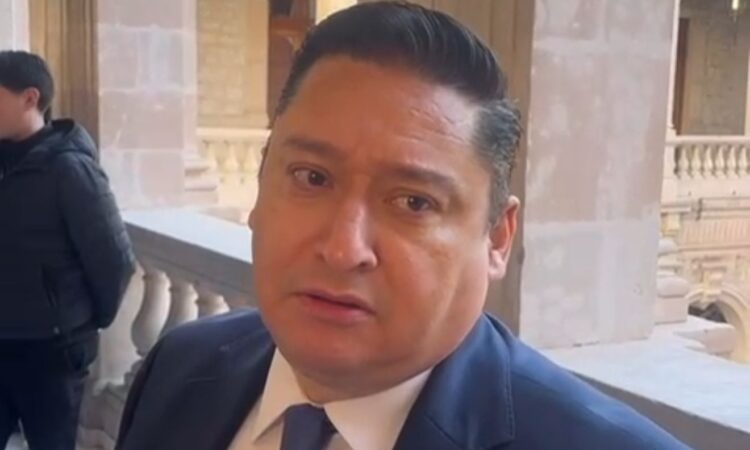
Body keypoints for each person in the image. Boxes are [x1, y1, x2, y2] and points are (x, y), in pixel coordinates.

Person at [116, 3, 691, 450]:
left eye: (414, 202)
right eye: (312, 177)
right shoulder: (182, 368)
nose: (343, 248)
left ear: (497, 237)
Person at [0, 50, 136, 450]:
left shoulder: (69, 169)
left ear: (29, 98)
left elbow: (114, 260)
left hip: (50, 350)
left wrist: (78, 321)